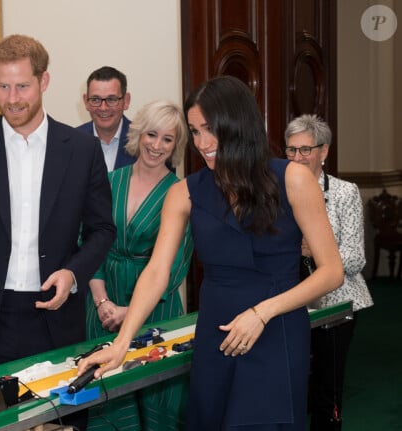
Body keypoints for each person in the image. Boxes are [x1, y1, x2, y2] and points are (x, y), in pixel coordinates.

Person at [78, 75, 344, 430]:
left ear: (237, 124)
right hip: (216, 332)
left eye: (209, 129)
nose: (202, 143)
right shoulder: (184, 192)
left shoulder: (293, 179)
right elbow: (157, 271)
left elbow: (331, 272)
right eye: (195, 131)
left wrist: (262, 313)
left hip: (276, 328)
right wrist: (122, 342)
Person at [0, 34, 115, 429]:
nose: (12, 98)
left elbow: (102, 230)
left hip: (57, 320)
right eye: (3, 86)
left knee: (61, 422)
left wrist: (73, 273)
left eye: (22, 86)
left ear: (44, 81)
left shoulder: (82, 150)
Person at [85, 100, 193, 430]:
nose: (156, 146)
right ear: (138, 134)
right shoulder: (108, 180)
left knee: (156, 399)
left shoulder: (181, 192)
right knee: (105, 392)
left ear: (177, 146)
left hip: (155, 309)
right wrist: (103, 302)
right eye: (151, 134)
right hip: (101, 304)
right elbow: (89, 243)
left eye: (167, 139)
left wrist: (128, 311)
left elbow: (175, 266)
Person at [284, 114, 373, 431]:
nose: (297, 157)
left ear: (324, 151)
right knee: (289, 383)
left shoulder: (345, 192)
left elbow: (355, 259)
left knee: (326, 388)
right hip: (290, 300)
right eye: (291, 150)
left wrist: (318, 252)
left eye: (305, 150)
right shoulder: (278, 190)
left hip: (337, 303)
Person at [77, 66, 136, 171]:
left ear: (126, 101)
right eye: (95, 99)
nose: (103, 108)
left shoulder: (144, 142)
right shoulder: (72, 143)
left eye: (111, 99)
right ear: (86, 102)